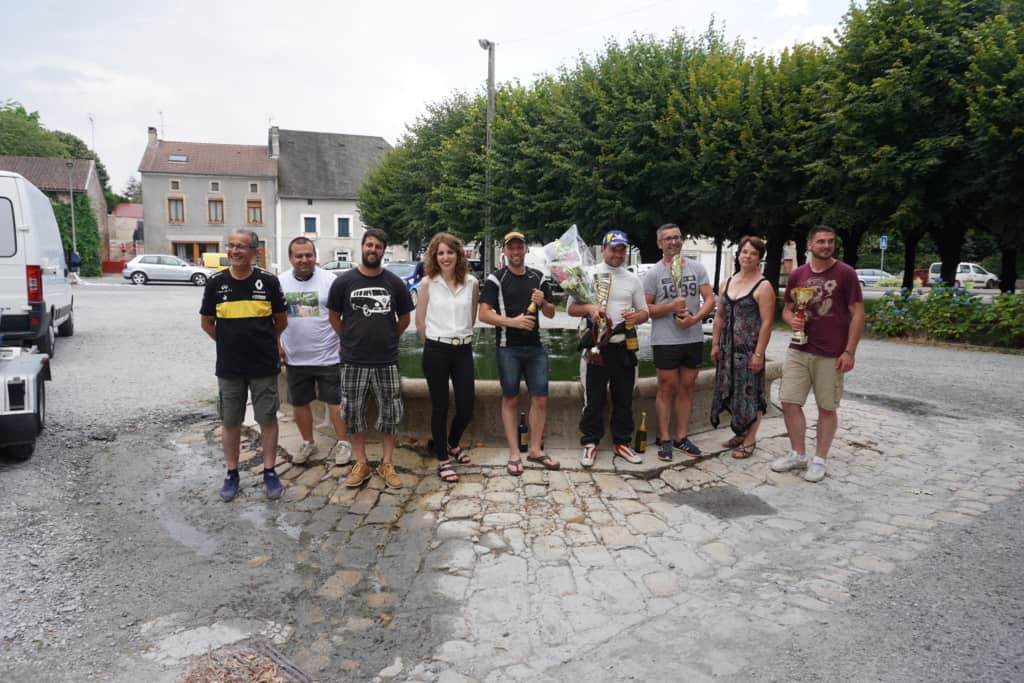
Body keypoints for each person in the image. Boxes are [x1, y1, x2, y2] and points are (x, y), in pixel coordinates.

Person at [771, 225, 864, 483]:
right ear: (809, 245)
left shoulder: (846, 274)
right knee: (789, 401)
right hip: (799, 350)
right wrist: (793, 321)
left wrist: (850, 351)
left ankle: (819, 459)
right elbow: (788, 309)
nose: (826, 246)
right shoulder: (798, 275)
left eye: (830, 242)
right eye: (821, 241)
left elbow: (858, 313)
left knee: (826, 407)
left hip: (831, 352)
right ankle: (798, 454)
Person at [200, 229, 288, 501]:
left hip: (263, 364)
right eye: (232, 246)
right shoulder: (216, 283)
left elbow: (281, 321)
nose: (235, 251)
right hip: (230, 366)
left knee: (267, 418)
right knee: (230, 420)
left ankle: (270, 471)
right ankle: (232, 473)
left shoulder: (268, 282)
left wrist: (265, 343)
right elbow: (207, 323)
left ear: (254, 252)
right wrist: (228, 342)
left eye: (241, 247)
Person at [327, 228, 414, 489]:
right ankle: (362, 463)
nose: (373, 250)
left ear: (383, 251)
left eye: (378, 246)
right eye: (369, 245)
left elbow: (405, 318)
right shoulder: (344, 282)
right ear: (362, 247)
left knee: (391, 412)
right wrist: (349, 339)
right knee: (352, 413)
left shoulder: (393, 283)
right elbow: (333, 315)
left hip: (386, 360)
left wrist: (389, 338)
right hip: (353, 360)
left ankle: (387, 462)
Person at [479, 231, 560, 475]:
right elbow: (483, 314)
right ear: (504, 251)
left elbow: (551, 313)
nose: (515, 252)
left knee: (541, 399)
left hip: (535, 347)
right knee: (510, 398)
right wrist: (513, 322)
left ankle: (535, 450)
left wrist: (543, 301)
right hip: (508, 347)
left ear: (526, 250)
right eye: (511, 248)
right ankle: (515, 453)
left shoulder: (538, 276)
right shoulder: (496, 278)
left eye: (519, 247)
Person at [568, 230, 650, 467]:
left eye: (622, 249)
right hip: (595, 347)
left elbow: (644, 312)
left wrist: (636, 316)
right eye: (613, 249)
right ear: (603, 249)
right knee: (593, 398)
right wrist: (590, 309)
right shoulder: (587, 274)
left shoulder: (632, 279)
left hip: (622, 347)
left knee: (624, 398)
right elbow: (572, 309)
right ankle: (590, 443)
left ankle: (622, 442)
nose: (618, 254)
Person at [643, 223, 714, 462]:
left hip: (693, 337)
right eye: (667, 239)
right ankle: (664, 438)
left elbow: (709, 299)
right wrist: (670, 307)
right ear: (659, 244)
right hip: (665, 340)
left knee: (687, 387)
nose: (673, 242)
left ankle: (681, 436)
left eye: (677, 238)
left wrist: (695, 318)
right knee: (666, 388)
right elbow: (646, 309)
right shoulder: (653, 273)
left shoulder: (696, 268)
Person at [278, 237, 351, 467]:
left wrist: (343, 342)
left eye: (308, 255)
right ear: (291, 258)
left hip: (328, 355)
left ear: (315, 256)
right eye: (298, 256)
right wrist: (277, 344)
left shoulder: (330, 281)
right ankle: (308, 442)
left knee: (336, 402)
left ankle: (343, 443)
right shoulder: (280, 283)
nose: (304, 260)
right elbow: (275, 318)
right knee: (299, 403)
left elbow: (343, 315)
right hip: (295, 356)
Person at [415, 232, 479, 483]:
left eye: (449, 252)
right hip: (436, 350)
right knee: (440, 407)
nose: (445, 257)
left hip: (463, 349)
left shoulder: (472, 283)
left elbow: (471, 317)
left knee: (466, 406)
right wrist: (433, 345)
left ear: (458, 255)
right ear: (434, 256)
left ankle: (452, 443)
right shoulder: (427, 284)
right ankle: (443, 459)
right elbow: (420, 322)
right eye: (440, 253)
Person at [710, 236, 775, 459]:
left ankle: (750, 439)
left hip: (749, 351)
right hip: (728, 349)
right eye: (744, 252)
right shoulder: (727, 282)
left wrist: (759, 353)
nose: (747, 256)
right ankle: (740, 432)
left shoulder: (763, 286)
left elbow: (767, 322)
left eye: (753, 253)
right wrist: (715, 344)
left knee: (752, 395)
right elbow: (719, 316)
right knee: (733, 392)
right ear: (738, 255)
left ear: (759, 258)